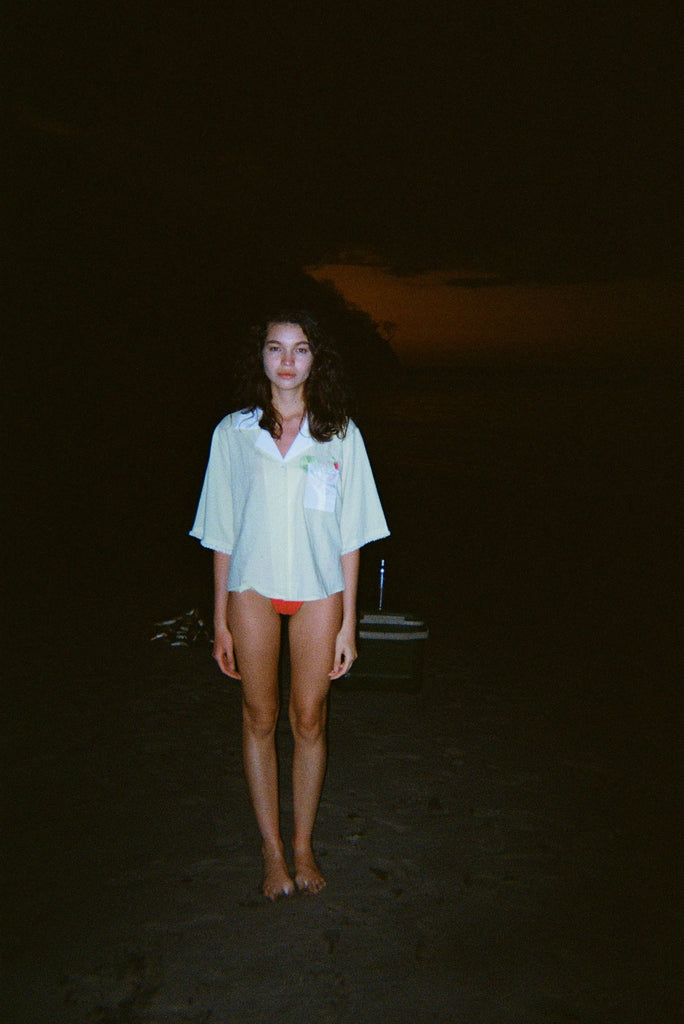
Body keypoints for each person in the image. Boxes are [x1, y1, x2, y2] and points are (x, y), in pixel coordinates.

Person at [190, 309, 389, 899]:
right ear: (261, 357)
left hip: (319, 592)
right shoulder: (233, 433)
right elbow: (220, 531)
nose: (286, 361)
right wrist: (221, 618)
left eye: (300, 350)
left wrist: (349, 624)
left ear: (314, 360)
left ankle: (303, 844)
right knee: (259, 715)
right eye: (275, 348)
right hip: (249, 587)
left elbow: (351, 536)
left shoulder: (340, 433)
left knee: (308, 718)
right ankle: (271, 850)